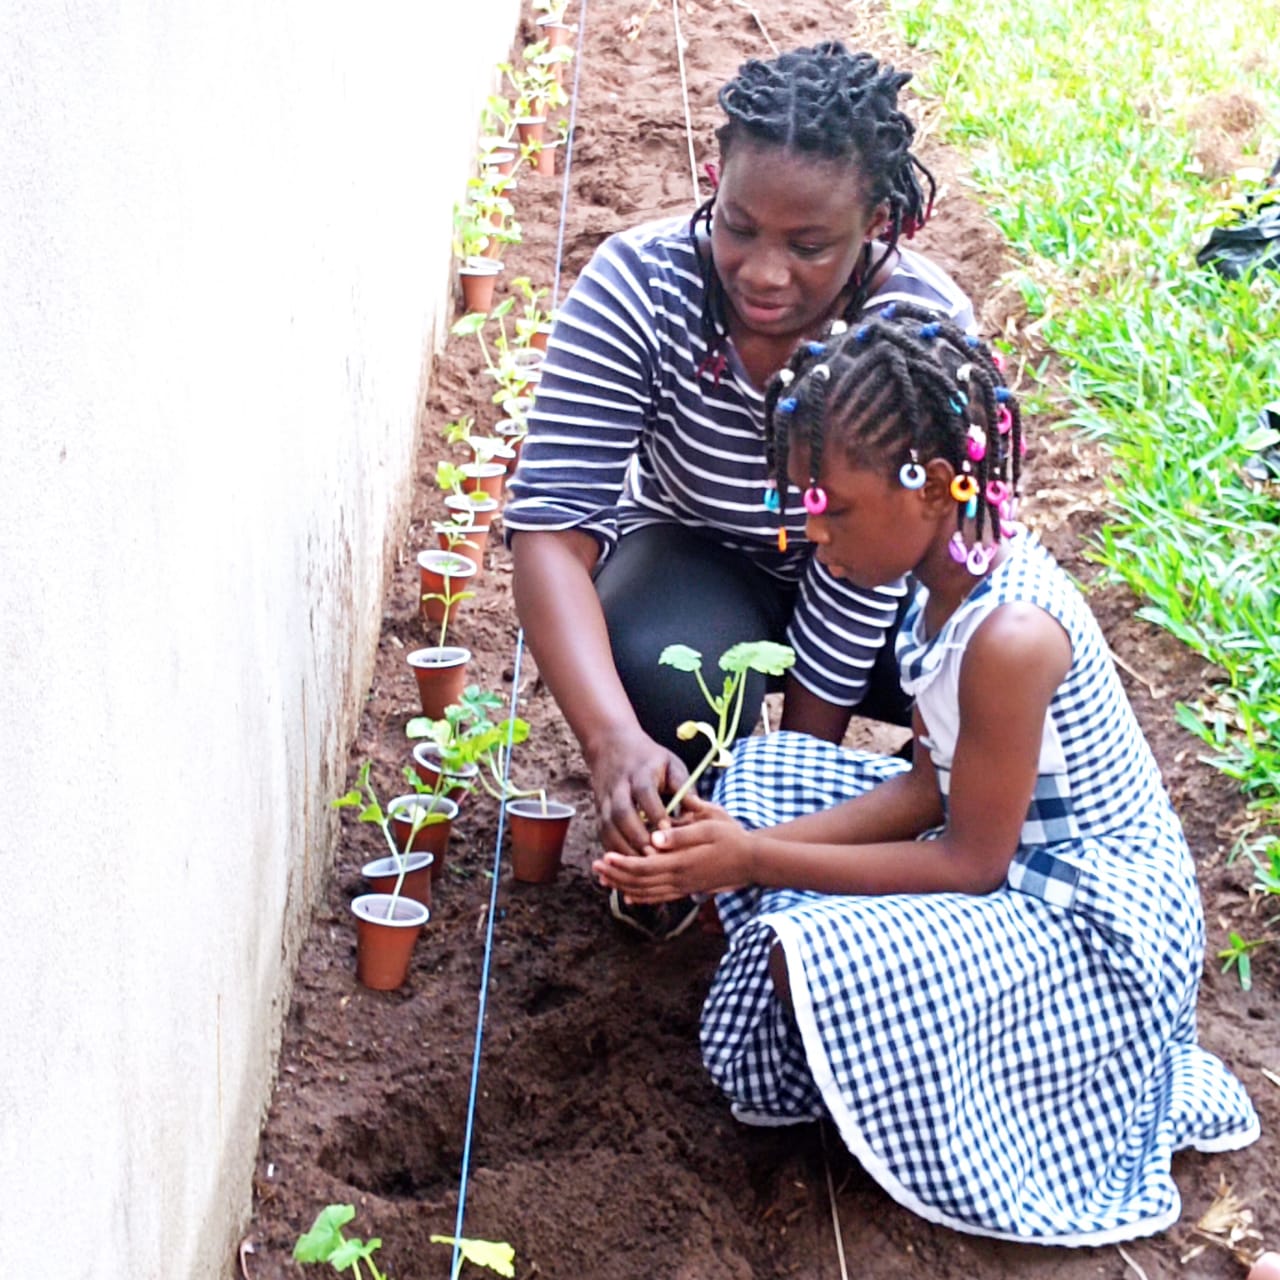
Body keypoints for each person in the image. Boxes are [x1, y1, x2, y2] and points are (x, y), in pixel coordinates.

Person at [591, 303, 1259, 1241]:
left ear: (935, 486)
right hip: (997, 855)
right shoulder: (937, 587)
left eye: (834, 508)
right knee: (757, 776)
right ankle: (869, 1045)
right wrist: (744, 841)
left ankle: (960, 1091)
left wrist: (754, 862)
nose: (815, 536)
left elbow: (968, 863)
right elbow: (924, 789)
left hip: (1087, 923)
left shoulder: (1010, 637)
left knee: (805, 952)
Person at [504, 43, 973, 940]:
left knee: (971, 698)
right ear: (713, 185)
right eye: (739, 226)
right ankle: (669, 859)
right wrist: (610, 740)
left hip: (874, 571)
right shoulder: (639, 286)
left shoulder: (913, 329)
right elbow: (552, 531)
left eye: (808, 246)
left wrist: (781, 809)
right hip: (699, 548)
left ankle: (865, 860)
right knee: (654, 669)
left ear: (878, 222)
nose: (763, 271)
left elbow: (860, 580)